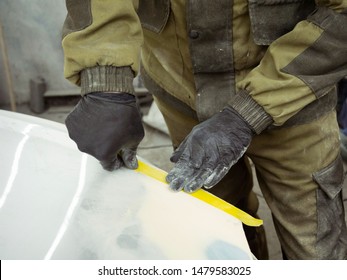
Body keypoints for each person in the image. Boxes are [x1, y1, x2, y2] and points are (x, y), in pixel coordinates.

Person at [61, 0, 347, 259]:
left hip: (295, 103)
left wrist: (246, 114)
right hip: (183, 95)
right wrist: (105, 84)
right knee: (216, 235)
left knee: (315, 246)